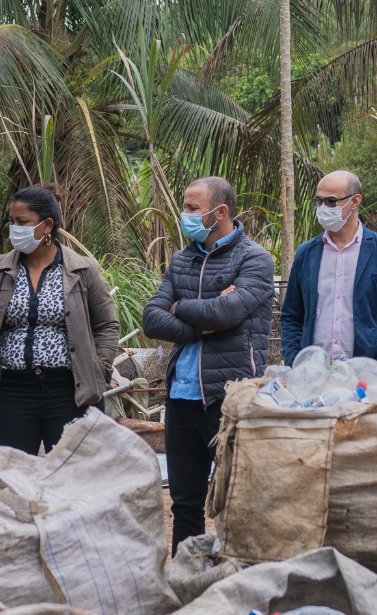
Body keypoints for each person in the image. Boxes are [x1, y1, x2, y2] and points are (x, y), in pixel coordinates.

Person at [142, 176, 274, 554]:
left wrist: (179, 307)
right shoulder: (182, 260)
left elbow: (227, 312)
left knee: (236, 501)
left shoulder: (254, 259)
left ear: (220, 212)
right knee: (185, 503)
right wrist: (203, 324)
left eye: (191, 208)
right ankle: (187, 576)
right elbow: (151, 319)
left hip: (227, 398)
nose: (183, 214)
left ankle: (235, 576)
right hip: (181, 397)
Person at [0, 185, 120, 454]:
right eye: (12, 221)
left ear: (47, 225)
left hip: (71, 391)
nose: (14, 229)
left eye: (22, 222)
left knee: (75, 470)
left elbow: (107, 325)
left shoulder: (82, 269)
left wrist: (100, 368)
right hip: (8, 391)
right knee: (6, 472)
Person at [280, 170, 377, 366]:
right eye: (319, 201)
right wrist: (295, 362)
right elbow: (291, 315)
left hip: (369, 370)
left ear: (355, 201)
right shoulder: (306, 253)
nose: (323, 207)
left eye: (331, 201)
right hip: (314, 371)